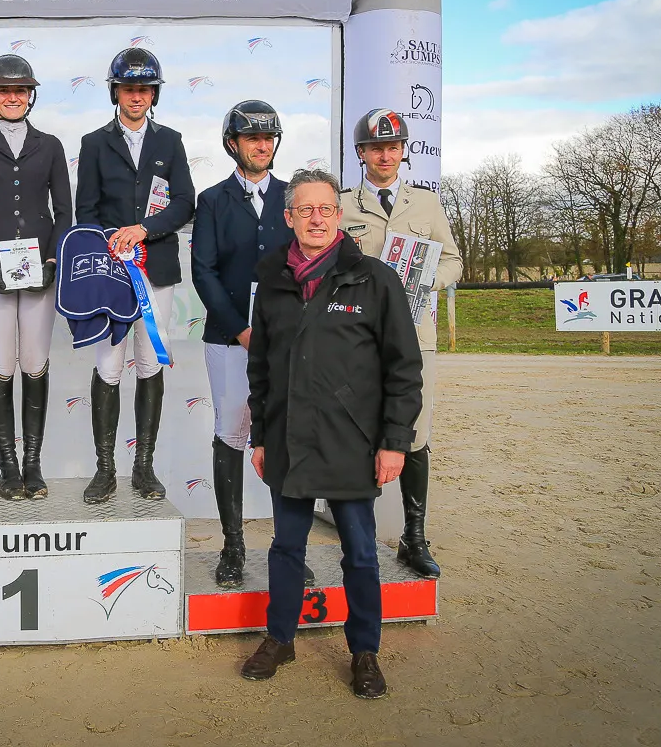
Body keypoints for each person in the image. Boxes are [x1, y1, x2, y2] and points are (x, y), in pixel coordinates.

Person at [242, 168, 423, 699]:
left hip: (354, 441)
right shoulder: (272, 279)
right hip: (289, 438)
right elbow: (261, 367)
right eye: (305, 210)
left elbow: (404, 368)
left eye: (325, 209)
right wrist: (260, 435)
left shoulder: (375, 279)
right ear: (289, 218)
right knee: (286, 548)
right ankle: (280, 638)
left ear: (338, 217)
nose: (316, 218)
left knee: (362, 553)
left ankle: (364, 650)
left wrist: (395, 441)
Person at [340, 108, 461, 579]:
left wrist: (426, 281)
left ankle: (414, 537)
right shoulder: (343, 205)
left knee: (415, 434)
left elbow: (453, 261)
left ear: (403, 151)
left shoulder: (426, 204)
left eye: (392, 147)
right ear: (361, 154)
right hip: (358, 339)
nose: (384, 155)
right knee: (355, 432)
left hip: (416, 336)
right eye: (374, 148)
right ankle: (358, 537)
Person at [74, 47, 194, 502]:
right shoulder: (92, 143)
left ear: (154, 94)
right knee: (108, 367)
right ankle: (105, 468)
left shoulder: (171, 141)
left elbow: (185, 202)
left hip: (155, 270)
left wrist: (144, 229)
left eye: (144, 89)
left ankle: (143, 467)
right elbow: (85, 211)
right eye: (129, 89)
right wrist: (112, 242)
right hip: (110, 272)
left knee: (149, 362)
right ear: (115, 92)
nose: (136, 96)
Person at [0, 54, 71, 500]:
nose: (12, 97)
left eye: (19, 90)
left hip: (40, 265)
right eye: (3, 90)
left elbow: (64, 211)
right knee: (2, 364)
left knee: (35, 363)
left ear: (30, 95)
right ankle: (8, 463)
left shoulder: (51, 144)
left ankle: (33, 464)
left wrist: (52, 262)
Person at [189, 101, 292, 587]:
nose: (261, 145)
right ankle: (232, 545)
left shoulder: (294, 197)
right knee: (231, 431)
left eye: (268, 137)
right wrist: (241, 329)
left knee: (286, 435)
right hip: (229, 338)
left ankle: (287, 546)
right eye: (252, 138)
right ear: (233, 143)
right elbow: (203, 271)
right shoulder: (212, 200)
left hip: (286, 338)